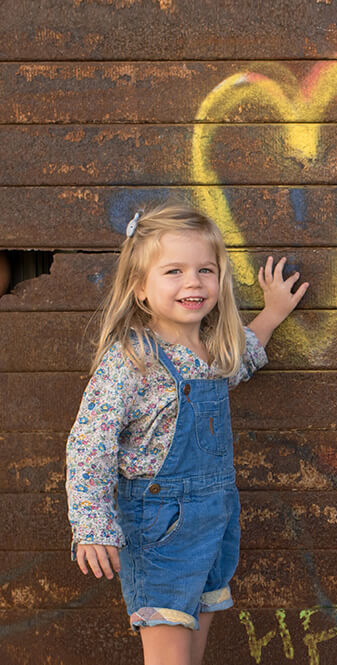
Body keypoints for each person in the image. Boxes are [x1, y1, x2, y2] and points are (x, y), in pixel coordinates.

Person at [65, 203, 308, 665]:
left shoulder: (213, 347)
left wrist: (273, 312)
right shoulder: (131, 359)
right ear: (140, 289)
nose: (193, 282)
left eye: (205, 270)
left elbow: (245, 356)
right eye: (173, 271)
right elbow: (89, 442)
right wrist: (92, 522)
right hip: (161, 527)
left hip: (214, 520)